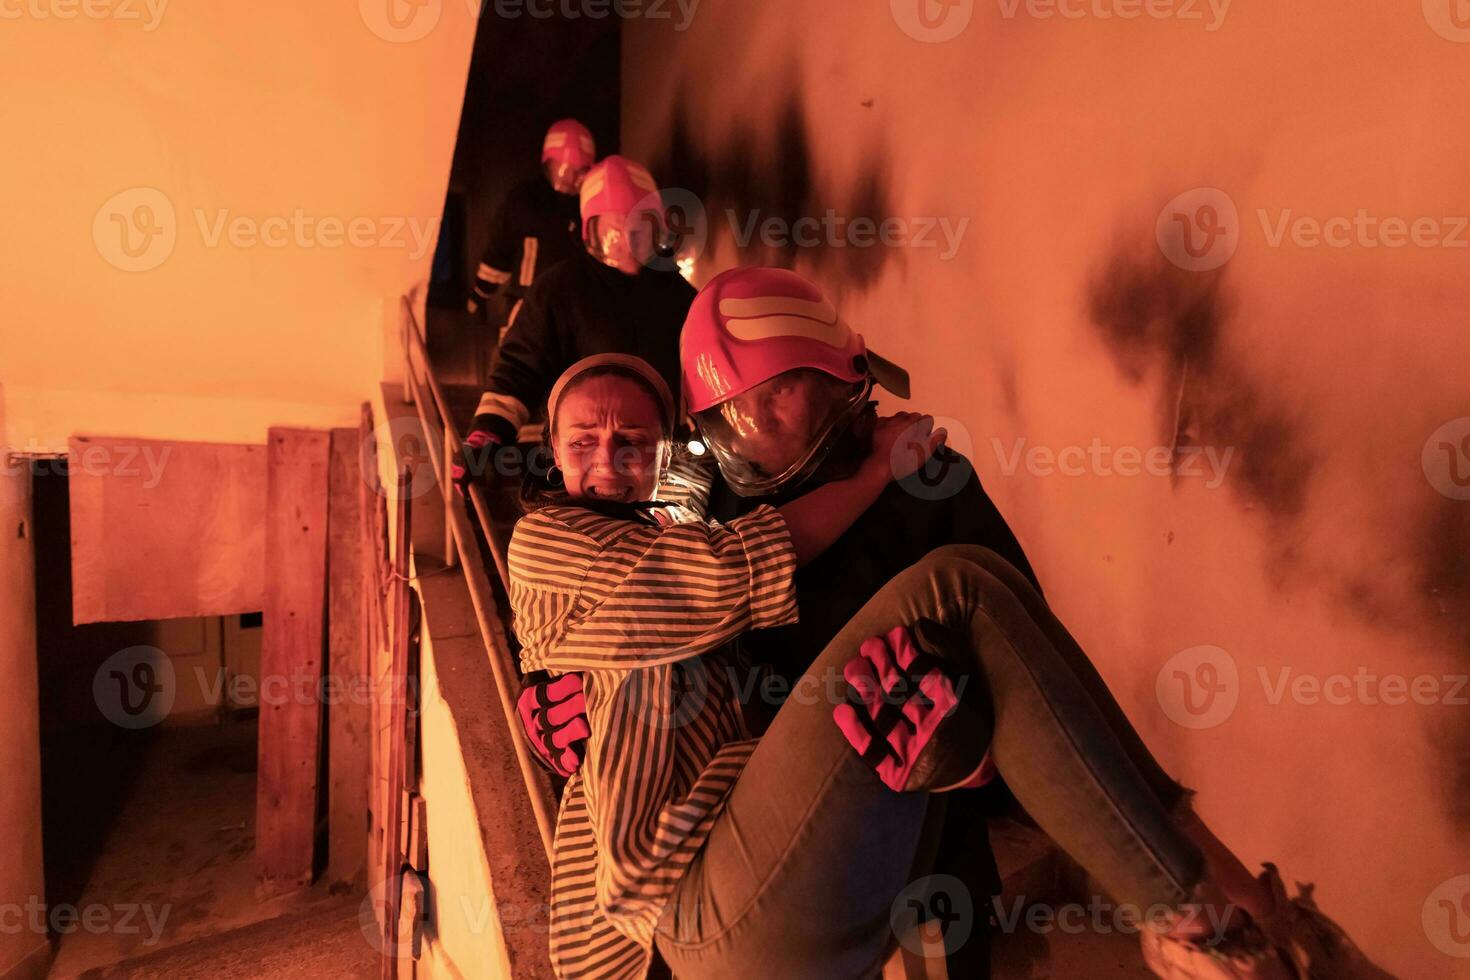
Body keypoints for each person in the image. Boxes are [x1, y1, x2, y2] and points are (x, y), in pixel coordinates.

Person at [516, 270, 1389, 980]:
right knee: (956, 592)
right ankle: (1235, 928)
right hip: (770, 846)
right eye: (732, 415)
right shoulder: (712, 516)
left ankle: (1240, 928)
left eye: (778, 394)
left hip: (921, 827)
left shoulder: (930, 485)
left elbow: (1037, 682)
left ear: (838, 379)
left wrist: (971, 760)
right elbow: (661, 607)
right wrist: (553, 686)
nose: (758, 428)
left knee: (963, 623)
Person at [455, 156, 696, 492]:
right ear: (588, 231)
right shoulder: (557, 291)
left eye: (639, 227)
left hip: (660, 469)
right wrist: (488, 432)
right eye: (614, 229)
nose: (625, 242)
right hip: (571, 470)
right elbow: (518, 369)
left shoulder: (681, 299)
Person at [466, 119, 594, 327]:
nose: (576, 178)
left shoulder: (586, 210)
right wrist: (479, 295)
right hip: (526, 310)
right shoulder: (524, 201)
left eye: (582, 171)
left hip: (571, 313)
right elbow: (499, 252)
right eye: (571, 170)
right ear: (551, 164)